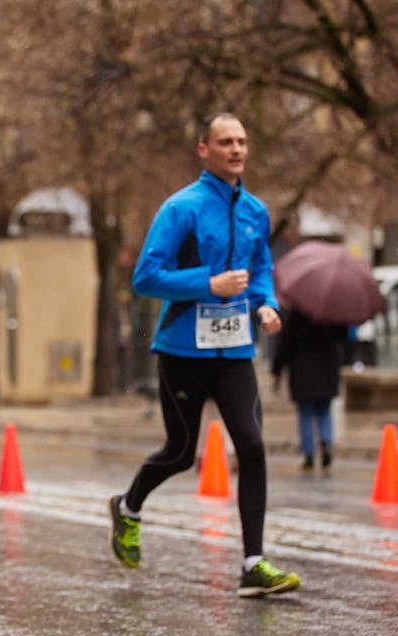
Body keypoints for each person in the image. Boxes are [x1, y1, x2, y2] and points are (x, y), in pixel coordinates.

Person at [107, 112, 300, 597]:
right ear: (204, 150)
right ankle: (128, 506)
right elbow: (146, 277)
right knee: (180, 454)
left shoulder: (255, 211)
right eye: (226, 141)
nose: (236, 149)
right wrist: (205, 283)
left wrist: (267, 306)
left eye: (242, 141)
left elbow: (260, 271)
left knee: (252, 447)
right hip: (184, 350)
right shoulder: (181, 208)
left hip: (235, 350)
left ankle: (253, 563)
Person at [272, 308, 347, 470]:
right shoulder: (332, 313)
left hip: (302, 370)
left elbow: (285, 344)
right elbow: (342, 337)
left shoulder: (297, 314)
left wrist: (277, 370)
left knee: (305, 413)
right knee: (324, 411)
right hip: (327, 369)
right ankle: (326, 442)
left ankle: (309, 453)